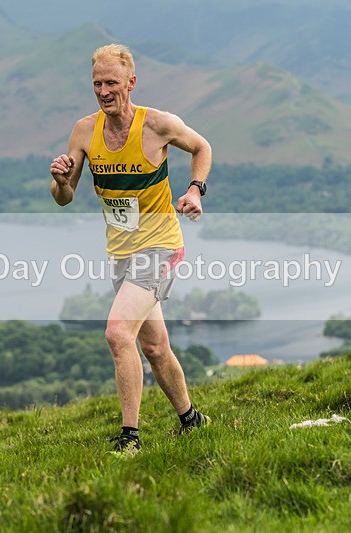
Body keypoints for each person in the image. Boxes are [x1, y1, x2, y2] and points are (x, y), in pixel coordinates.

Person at [50, 43, 212, 456]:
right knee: (154, 347)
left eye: (112, 83)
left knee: (118, 333)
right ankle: (193, 420)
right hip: (122, 254)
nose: (103, 91)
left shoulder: (157, 124)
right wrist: (61, 179)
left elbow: (202, 147)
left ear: (131, 83)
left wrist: (195, 189)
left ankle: (130, 439)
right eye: (97, 83)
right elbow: (63, 197)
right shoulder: (84, 131)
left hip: (161, 247)